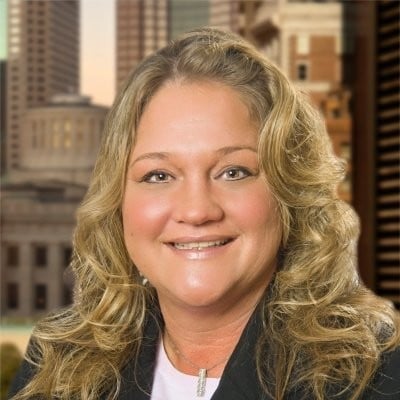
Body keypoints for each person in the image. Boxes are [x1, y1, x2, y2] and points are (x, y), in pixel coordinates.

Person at [9, 28, 400, 400]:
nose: (196, 211)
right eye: (159, 175)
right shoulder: (56, 369)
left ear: (290, 192)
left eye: (233, 172)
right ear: (118, 202)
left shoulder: (379, 376)